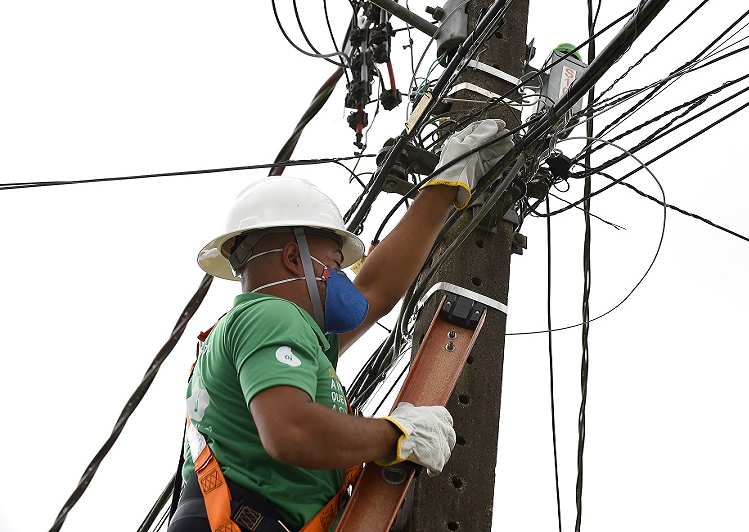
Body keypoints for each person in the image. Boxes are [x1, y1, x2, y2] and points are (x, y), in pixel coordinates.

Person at [168, 119, 513, 531]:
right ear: (294, 259)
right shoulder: (269, 316)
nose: (343, 276)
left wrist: (444, 187)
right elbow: (291, 431)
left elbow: (376, 292)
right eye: (334, 262)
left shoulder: (285, 331)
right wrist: (394, 436)